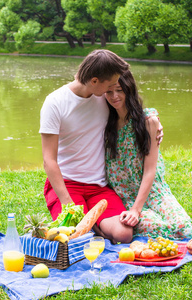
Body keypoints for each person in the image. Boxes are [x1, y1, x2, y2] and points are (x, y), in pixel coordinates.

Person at [39, 50, 163, 244]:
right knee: (76, 238)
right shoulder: (55, 103)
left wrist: (154, 121)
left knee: (124, 234)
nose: (113, 89)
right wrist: (68, 205)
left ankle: (95, 227)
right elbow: (49, 160)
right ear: (95, 81)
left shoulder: (103, 98)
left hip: (100, 187)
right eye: (110, 84)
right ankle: (93, 229)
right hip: (67, 185)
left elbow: (133, 112)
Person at [104, 70, 192, 239]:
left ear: (129, 89)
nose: (114, 96)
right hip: (126, 196)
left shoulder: (148, 121)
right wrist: (133, 210)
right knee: (159, 228)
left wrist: (136, 210)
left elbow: (149, 170)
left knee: (185, 229)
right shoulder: (105, 124)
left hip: (155, 193)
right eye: (109, 92)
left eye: (119, 90)